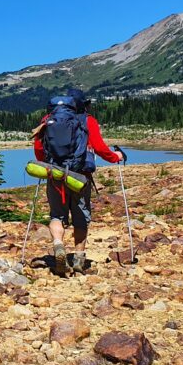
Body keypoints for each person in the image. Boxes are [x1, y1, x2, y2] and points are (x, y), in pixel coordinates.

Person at [32, 88, 122, 275]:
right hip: (80, 177)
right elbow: (99, 147)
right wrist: (116, 157)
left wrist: (49, 165)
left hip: (56, 176)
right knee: (81, 217)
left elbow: (39, 150)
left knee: (57, 215)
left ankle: (58, 245)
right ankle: (79, 260)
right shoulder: (88, 120)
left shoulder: (48, 119)